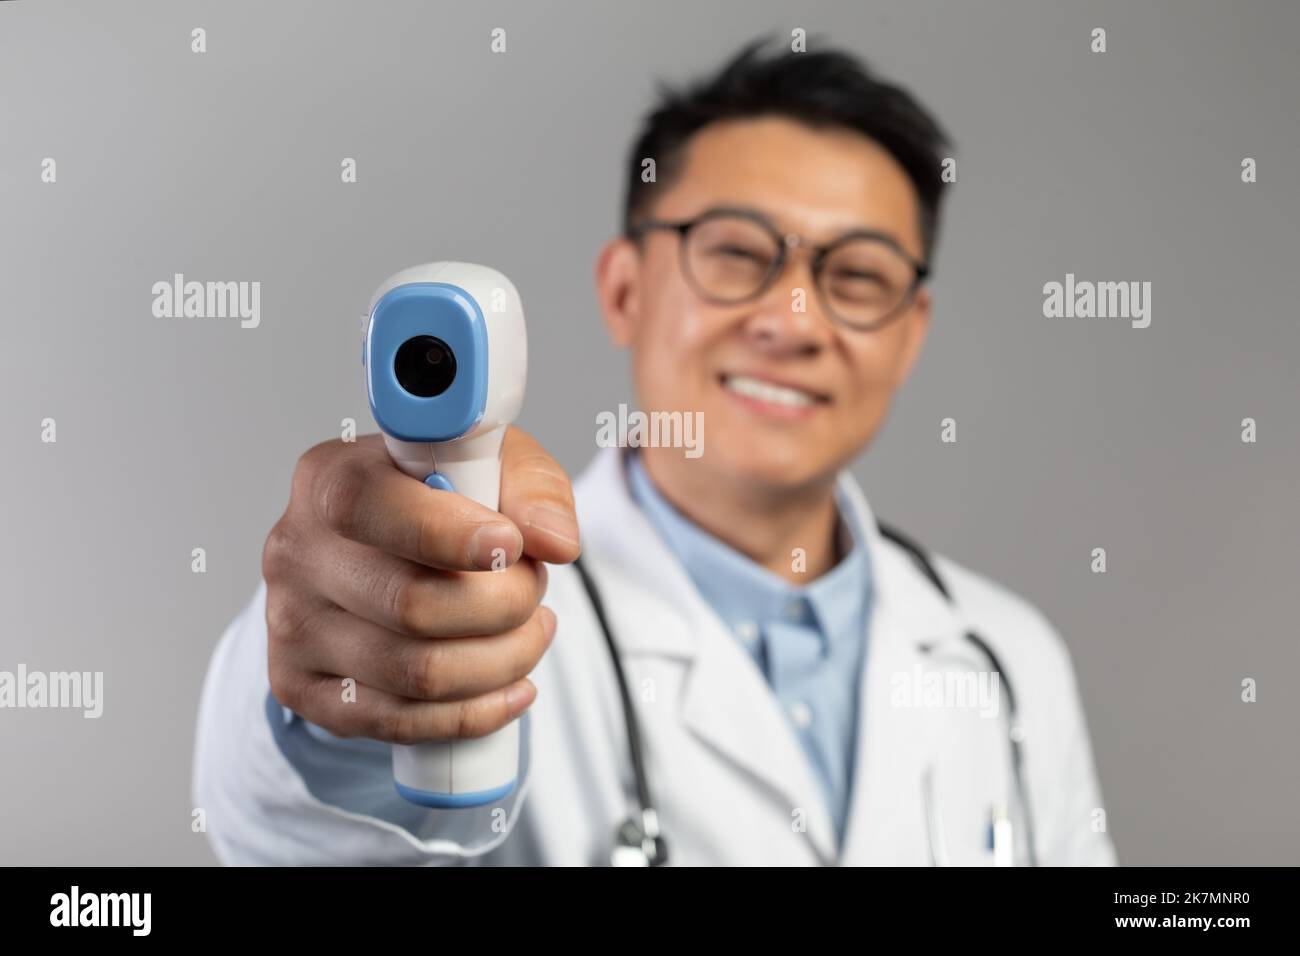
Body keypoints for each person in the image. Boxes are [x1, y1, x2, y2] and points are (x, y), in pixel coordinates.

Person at [193, 36, 1117, 866]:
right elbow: (296, 837)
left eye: (858, 275)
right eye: (736, 253)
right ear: (625, 290)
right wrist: (334, 695)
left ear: (910, 336)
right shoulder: (469, 608)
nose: (792, 322)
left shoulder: (1006, 656)